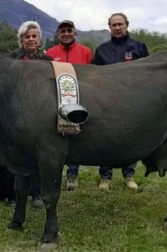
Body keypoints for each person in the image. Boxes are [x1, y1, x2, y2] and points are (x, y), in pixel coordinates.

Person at [0, 20, 53, 208]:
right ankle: (11, 195)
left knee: (38, 156)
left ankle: (36, 193)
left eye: (34, 36)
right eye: (27, 37)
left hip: (39, 117)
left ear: (39, 39)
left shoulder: (48, 62)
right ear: (21, 40)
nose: (31, 39)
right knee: (12, 156)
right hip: (13, 116)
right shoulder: (9, 60)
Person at [93, 12, 149, 191]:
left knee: (131, 138)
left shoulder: (139, 47)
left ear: (127, 25)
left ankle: (129, 175)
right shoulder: (101, 50)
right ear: (109, 27)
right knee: (104, 139)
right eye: (114, 25)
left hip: (132, 101)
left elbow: (148, 75)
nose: (117, 28)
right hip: (106, 102)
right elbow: (95, 77)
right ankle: (105, 177)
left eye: (120, 24)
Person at [45, 20, 93, 191]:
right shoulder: (50, 53)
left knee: (75, 135)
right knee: (55, 136)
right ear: (58, 34)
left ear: (74, 33)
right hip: (54, 99)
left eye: (69, 31)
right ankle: (55, 171)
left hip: (80, 98)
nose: (66, 34)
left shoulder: (86, 52)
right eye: (63, 31)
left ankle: (72, 174)